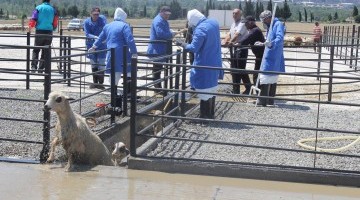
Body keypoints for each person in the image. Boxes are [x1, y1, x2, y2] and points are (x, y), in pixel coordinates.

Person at [175, 9, 223, 119]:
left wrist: (182, 44)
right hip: (214, 61)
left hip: (204, 62)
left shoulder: (201, 29)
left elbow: (194, 47)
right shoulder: (213, 22)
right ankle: (211, 114)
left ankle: (204, 116)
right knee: (212, 88)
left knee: (204, 90)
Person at [89, 8, 137, 110]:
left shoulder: (108, 26)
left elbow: (101, 38)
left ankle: (114, 98)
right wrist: (134, 52)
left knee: (114, 76)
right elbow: (130, 39)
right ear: (123, 17)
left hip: (111, 53)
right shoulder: (124, 26)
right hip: (124, 54)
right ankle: (127, 94)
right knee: (129, 73)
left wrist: (93, 46)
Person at [255, 10, 285, 107]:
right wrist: (263, 43)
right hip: (269, 54)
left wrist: (271, 43)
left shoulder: (277, 24)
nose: (263, 22)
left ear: (268, 18)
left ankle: (264, 100)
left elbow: (280, 38)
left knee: (268, 76)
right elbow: (268, 40)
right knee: (269, 76)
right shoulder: (270, 26)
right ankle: (268, 100)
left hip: (274, 55)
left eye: (264, 20)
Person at [147, 6, 177, 90]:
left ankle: (158, 88)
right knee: (157, 69)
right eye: (166, 14)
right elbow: (160, 34)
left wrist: (170, 32)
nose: (168, 16)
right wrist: (171, 34)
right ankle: (157, 88)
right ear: (161, 12)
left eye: (168, 14)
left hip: (160, 48)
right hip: (157, 48)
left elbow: (165, 32)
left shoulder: (163, 20)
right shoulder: (158, 21)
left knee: (158, 69)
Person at [222, 9, 251, 94]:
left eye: (236, 13)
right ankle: (236, 89)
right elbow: (229, 34)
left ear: (240, 15)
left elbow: (237, 34)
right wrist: (225, 41)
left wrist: (230, 42)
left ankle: (247, 88)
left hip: (242, 49)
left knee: (241, 69)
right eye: (233, 13)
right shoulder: (233, 24)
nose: (234, 15)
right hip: (236, 49)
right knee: (235, 68)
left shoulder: (242, 23)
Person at [28, 0, 58, 73]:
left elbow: (33, 19)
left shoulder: (38, 8)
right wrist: (53, 28)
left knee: (36, 49)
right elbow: (55, 21)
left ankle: (33, 66)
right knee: (45, 51)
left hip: (39, 32)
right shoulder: (53, 9)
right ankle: (41, 69)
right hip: (49, 32)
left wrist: (30, 28)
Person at [238, 16, 265, 89]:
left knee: (257, 75)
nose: (245, 25)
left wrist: (237, 44)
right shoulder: (254, 30)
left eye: (246, 23)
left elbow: (245, 40)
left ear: (251, 23)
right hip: (260, 56)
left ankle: (259, 94)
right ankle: (259, 93)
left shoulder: (254, 31)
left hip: (261, 56)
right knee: (258, 74)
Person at [83, 7, 107, 89]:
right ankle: (95, 83)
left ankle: (101, 83)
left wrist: (101, 38)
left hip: (102, 45)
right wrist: (95, 37)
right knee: (93, 64)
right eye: (94, 14)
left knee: (101, 64)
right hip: (91, 45)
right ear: (91, 14)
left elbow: (105, 29)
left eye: (97, 14)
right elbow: (87, 33)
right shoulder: (86, 22)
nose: (96, 16)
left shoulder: (102, 19)